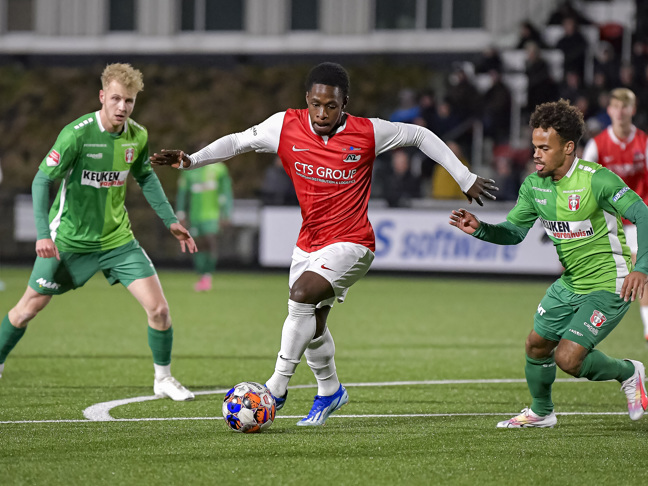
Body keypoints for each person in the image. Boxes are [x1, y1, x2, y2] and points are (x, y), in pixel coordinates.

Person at [151, 62, 498, 425]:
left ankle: (275, 388)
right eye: (315, 104)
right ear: (307, 99)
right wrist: (191, 161)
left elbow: (420, 135)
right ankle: (330, 390)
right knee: (312, 324)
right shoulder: (285, 126)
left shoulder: (368, 132)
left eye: (331, 106)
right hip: (308, 243)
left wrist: (463, 176)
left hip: (353, 242)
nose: (322, 113)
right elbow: (238, 141)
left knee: (301, 295)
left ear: (344, 103)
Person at [0, 63, 196, 401]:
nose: (122, 107)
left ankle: (163, 379)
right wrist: (43, 234)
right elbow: (42, 180)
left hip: (117, 241)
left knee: (160, 310)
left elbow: (145, 176)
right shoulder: (76, 134)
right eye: (116, 99)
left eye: (129, 101)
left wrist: (170, 220)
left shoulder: (138, 136)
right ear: (102, 96)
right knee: (28, 308)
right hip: (68, 240)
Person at [449, 99, 648, 428]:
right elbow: (515, 233)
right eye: (534, 147)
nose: (536, 154)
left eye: (544, 148)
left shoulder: (597, 180)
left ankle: (629, 371)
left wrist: (642, 268)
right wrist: (481, 228)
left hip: (609, 282)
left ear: (568, 148)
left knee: (568, 358)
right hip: (570, 283)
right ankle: (541, 412)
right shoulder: (533, 186)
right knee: (537, 344)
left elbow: (642, 213)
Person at [582, 88, 648, 340]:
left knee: (641, 267)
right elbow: (584, 182)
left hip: (637, 216)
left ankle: (647, 326)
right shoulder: (597, 145)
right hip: (608, 219)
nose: (620, 112)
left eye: (625, 107)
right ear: (609, 110)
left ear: (633, 109)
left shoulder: (644, 143)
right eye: (616, 107)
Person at [176, 161, 233, 291]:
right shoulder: (189, 171)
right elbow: (183, 193)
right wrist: (180, 213)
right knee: (198, 245)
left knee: (210, 241)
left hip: (213, 215)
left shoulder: (219, 169)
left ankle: (208, 274)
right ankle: (202, 274)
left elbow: (226, 191)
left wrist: (226, 213)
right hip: (195, 216)